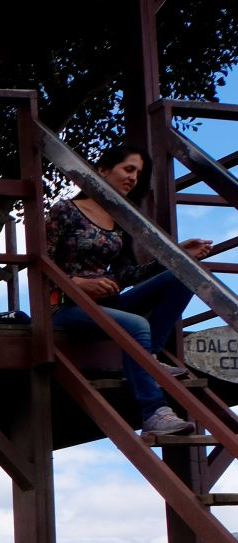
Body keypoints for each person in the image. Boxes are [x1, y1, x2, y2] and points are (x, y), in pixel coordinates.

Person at [45, 141, 215, 436]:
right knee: (137, 325)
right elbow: (39, 264)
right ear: (102, 169)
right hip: (63, 306)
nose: (133, 178)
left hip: (108, 305)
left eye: (138, 173)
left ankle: (148, 357)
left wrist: (176, 254)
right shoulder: (65, 211)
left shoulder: (119, 219)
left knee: (185, 274)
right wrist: (76, 284)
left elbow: (126, 275)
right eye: (128, 169)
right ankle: (154, 413)